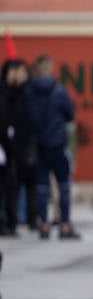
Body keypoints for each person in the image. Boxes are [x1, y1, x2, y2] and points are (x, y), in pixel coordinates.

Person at [22, 55, 78, 240]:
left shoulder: (29, 91)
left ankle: (44, 225)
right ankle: (65, 225)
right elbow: (70, 114)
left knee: (41, 187)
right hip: (58, 143)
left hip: (39, 145)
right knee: (63, 186)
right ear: (51, 68)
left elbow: (26, 117)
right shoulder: (59, 91)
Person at [0, 59, 35, 235]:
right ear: (11, 72)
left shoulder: (21, 92)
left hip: (16, 146)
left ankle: (11, 222)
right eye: (20, 72)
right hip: (4, 146)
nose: (24, 75)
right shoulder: (4, 93)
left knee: (12, 186)